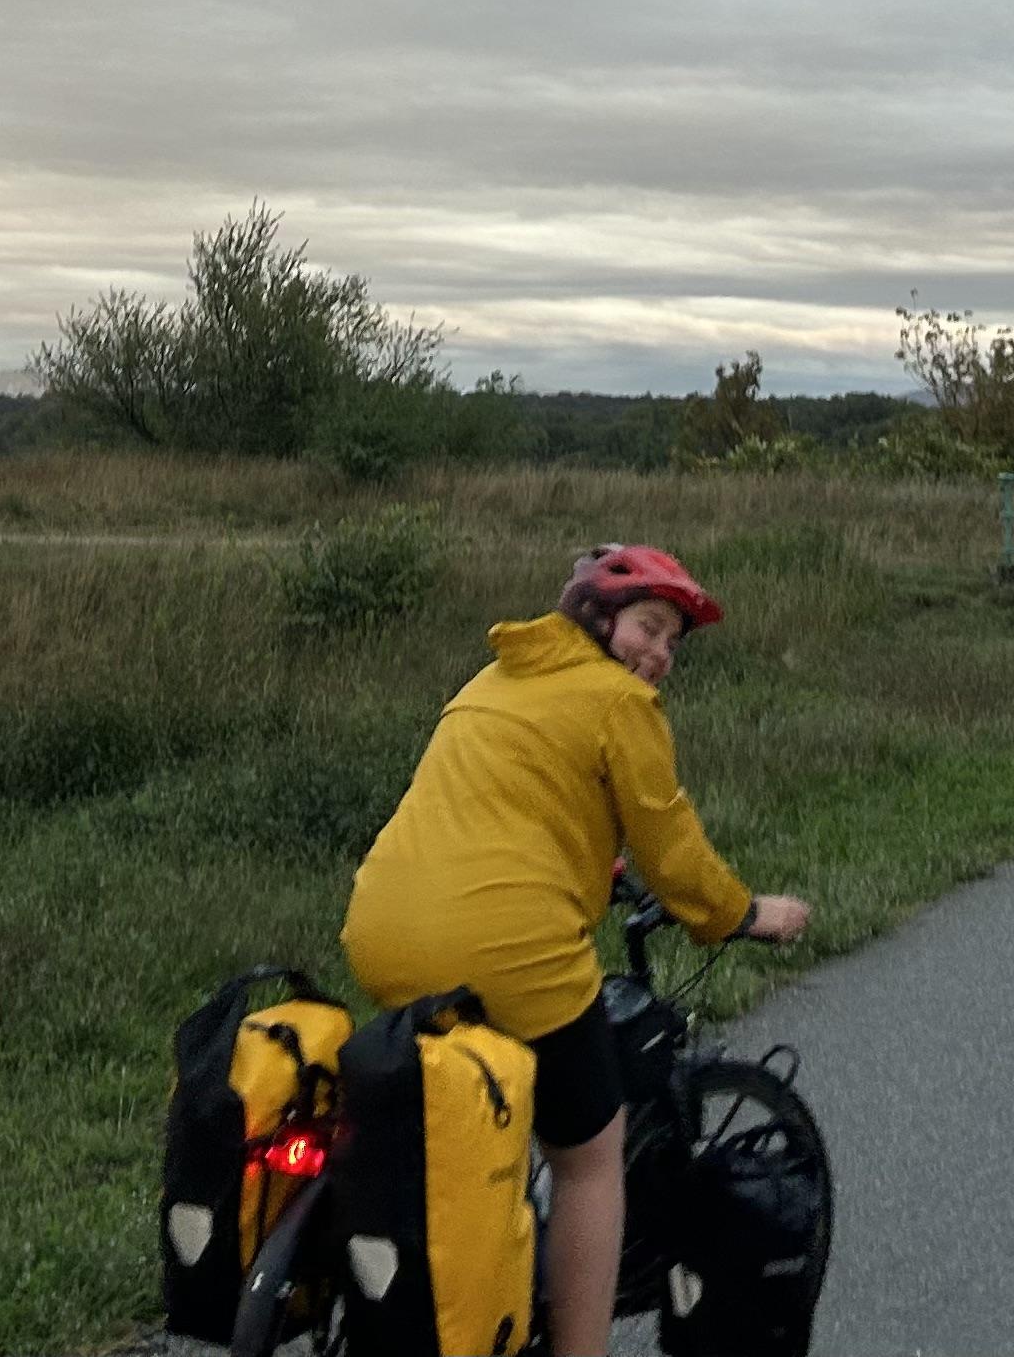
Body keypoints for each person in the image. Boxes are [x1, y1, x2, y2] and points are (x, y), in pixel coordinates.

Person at [341, 542, 812, 1357]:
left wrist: (593, 859)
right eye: (648, 626)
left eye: (672, 641)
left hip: (383, 934)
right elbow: (674, 850)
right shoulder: (618, 703)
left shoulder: (490, 682)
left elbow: (511, 807)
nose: (659, 653)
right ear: (597, 619)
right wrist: (739, 914)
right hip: (511, 952)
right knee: (591, 1155)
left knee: (453, 1126)